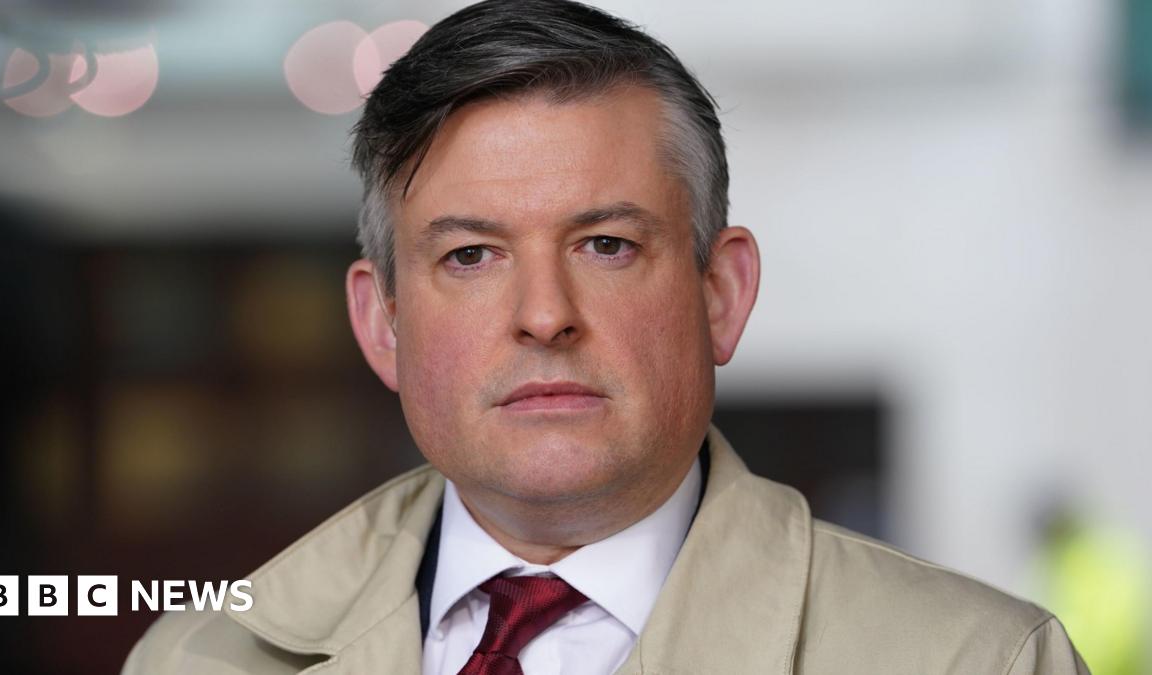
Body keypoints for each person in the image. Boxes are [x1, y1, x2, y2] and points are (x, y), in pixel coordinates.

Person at [123, 1, 1089, 673]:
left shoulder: (976, 662)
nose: (545, 313)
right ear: (380, 321)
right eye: (470, 256)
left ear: (721, 292)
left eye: (607, 243)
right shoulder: (198, 657)